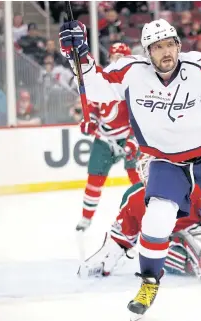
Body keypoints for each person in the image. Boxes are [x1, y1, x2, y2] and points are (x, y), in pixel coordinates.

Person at [59, 18, 201, 319]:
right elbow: (96, 86)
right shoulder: (132, 72)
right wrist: (79, 56)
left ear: (178, 45)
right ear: (146, 52)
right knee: (156, 218)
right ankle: (149, 282)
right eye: (157, 47)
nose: (165, 52)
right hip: (166, 161)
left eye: (170, 44)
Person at [75, 42, 141, 232]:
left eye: (121, 58)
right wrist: (91, 121)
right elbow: (94, 107)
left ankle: (145, 211)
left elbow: (140, 117)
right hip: (105, 139)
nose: (117, 61)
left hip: (128, 138)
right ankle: (86, 219)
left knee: (138, 178)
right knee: (95, 178)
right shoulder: (102, 79)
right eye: (114, 57)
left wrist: (131, 142)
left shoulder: (134, 84)